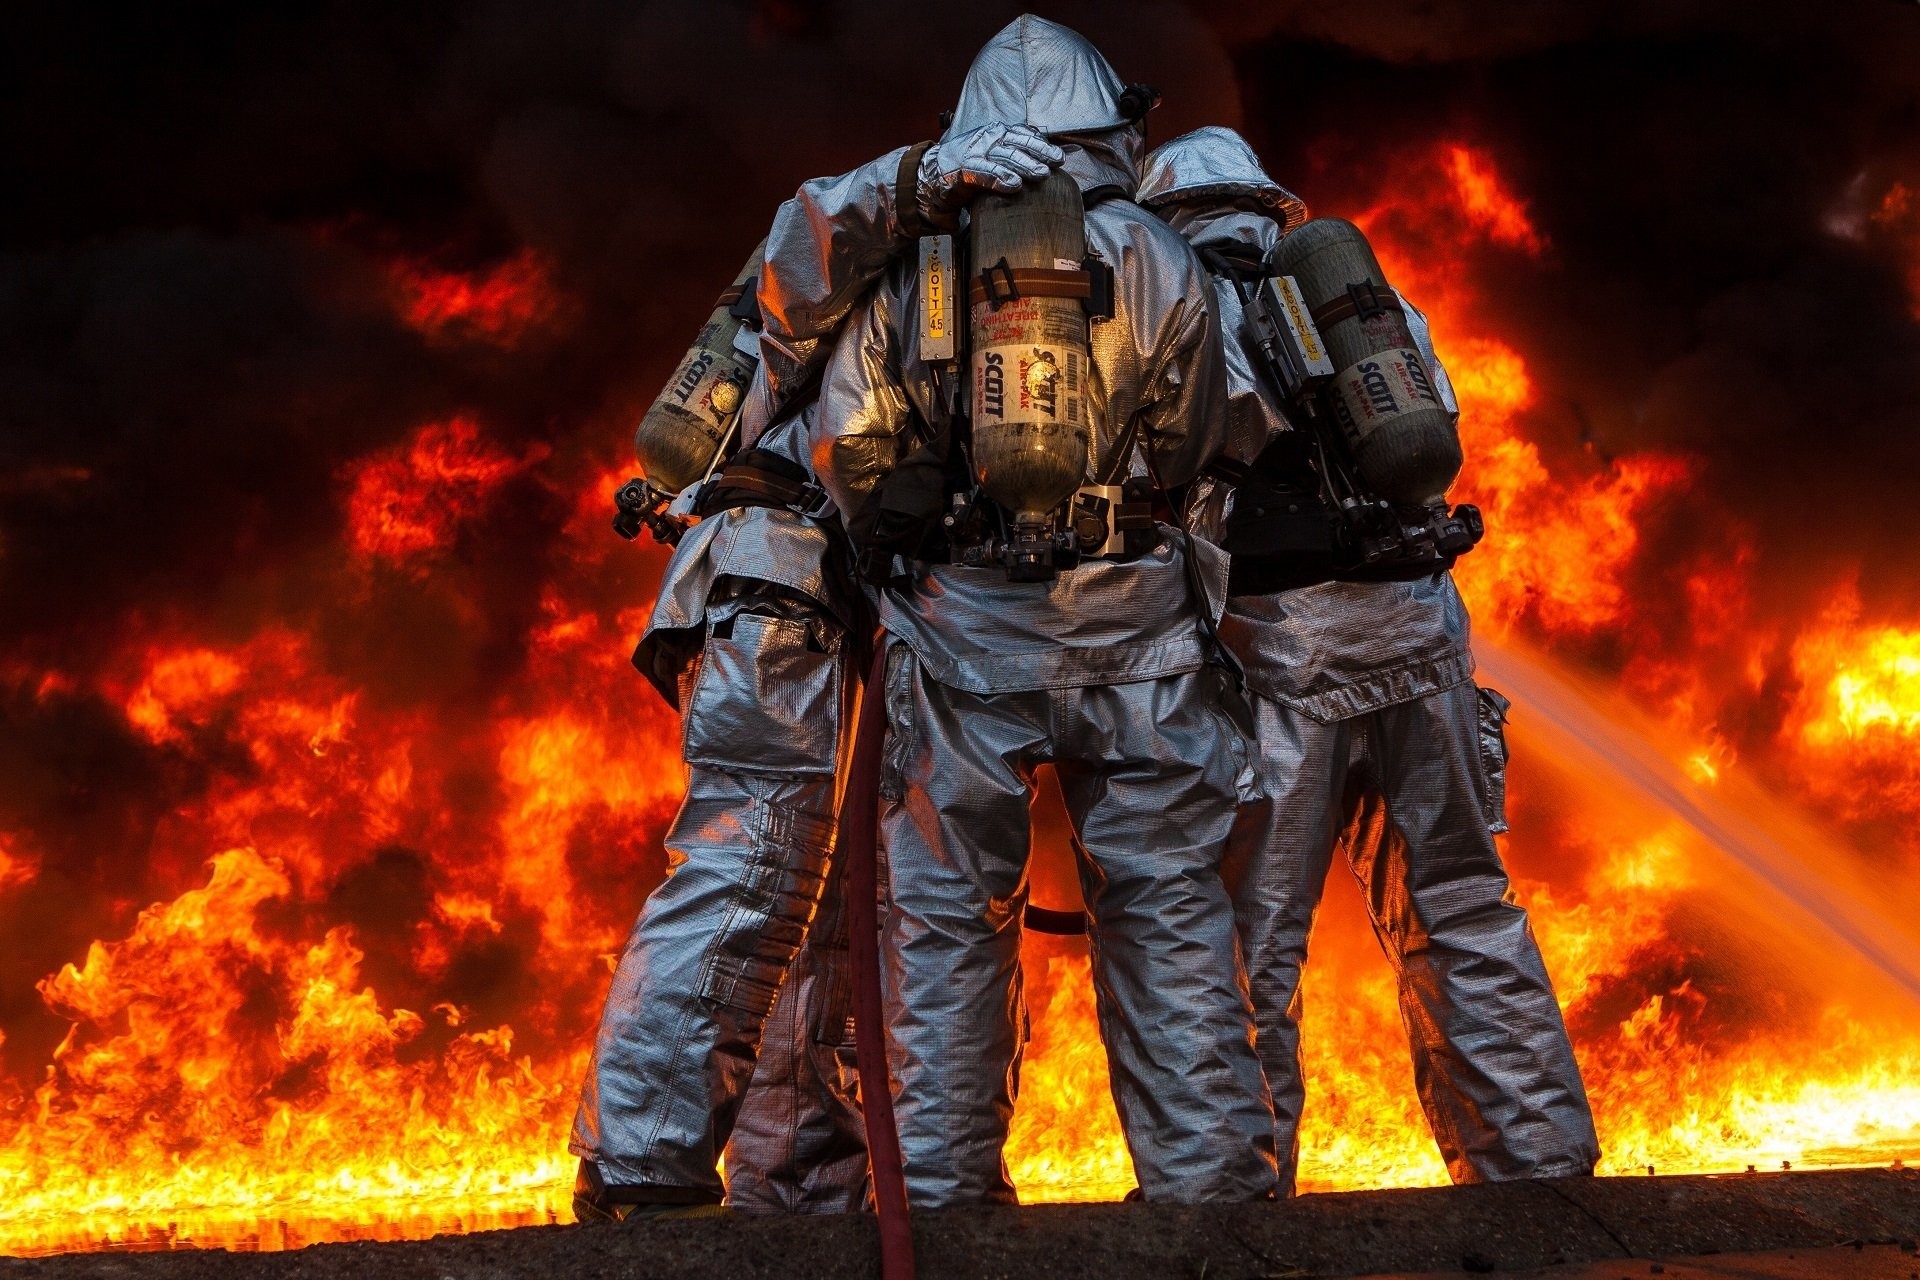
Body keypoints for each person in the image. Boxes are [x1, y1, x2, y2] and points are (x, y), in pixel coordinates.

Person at [805, 17, 1276, 1207]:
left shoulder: (918, 260)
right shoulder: (1159, 252)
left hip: (960, 639)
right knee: (1168, 911)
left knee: (948, 925)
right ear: (1110, 128)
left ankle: (947, 1204)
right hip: (1145, 638)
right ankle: (1210, 1196)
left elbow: (848, 443)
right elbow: (1220, 426)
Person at [570, 115, 1070, 1221]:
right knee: (753, 869)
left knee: (835, 917)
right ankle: (639, 1167)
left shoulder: (968, 295)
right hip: (776, 592)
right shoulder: (870, 264)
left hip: (834, 608)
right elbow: (803, 245)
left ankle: (805, 1185)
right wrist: (910, 181)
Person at [1136, 125, 1601, 1192]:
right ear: (1268, 204)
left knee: (1253, 943)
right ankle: (1538, 1170)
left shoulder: (1168, 302)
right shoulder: (1368, 305)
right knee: (1464, 906)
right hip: (1422, 643)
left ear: (1170, 217)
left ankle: (1241, 1194)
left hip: (1279, 665)